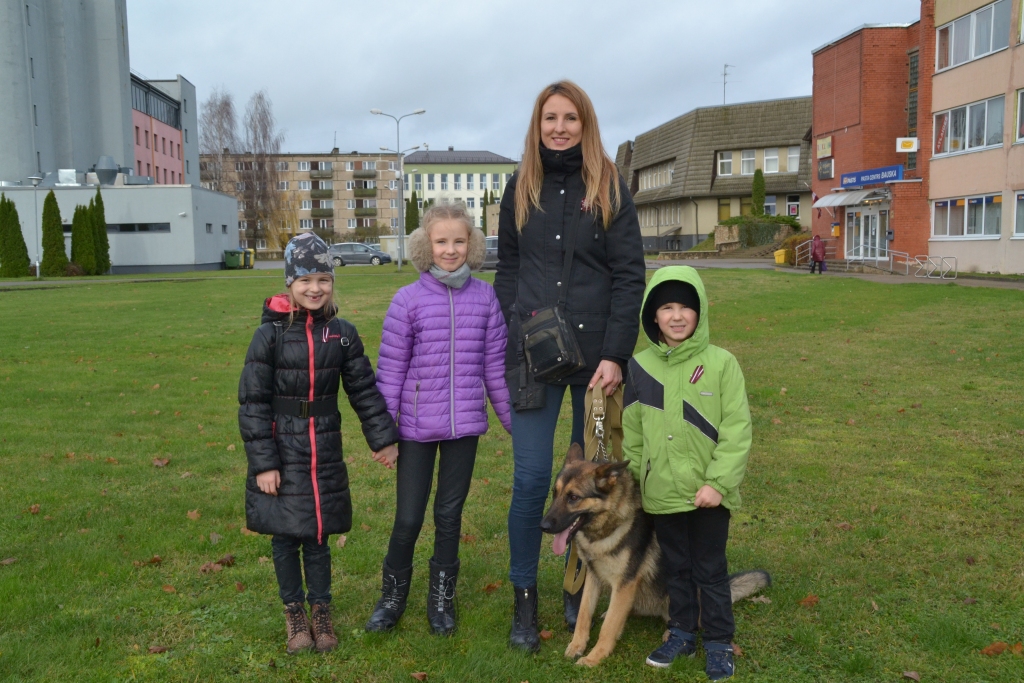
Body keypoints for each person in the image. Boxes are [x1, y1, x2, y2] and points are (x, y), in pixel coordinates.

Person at [494, 80, 646, 652]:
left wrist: (615, 355)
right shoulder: (521, 185)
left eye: (570, 119)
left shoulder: (609, 184)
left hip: (596, 367)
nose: (559, 127)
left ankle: (576, 583)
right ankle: (523, 599)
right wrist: (516, 320)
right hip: (533, 360)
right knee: (533, 481)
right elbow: (507, 264)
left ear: (586, 124)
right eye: (549, 118)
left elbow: (630, 274)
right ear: (538, 125)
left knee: (593, 482)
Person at [238, 233, 399, 655]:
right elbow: (252, 403)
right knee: (285, 534)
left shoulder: (342, 335)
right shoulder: (268, 337)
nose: (315, 288)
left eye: (324, 279)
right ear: (290, 282)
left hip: (323, 448)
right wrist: (263, 464)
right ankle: (295, 614)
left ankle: (321, 611)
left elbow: (363, 390)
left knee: (319, 534)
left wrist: (383, 439)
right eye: (305, 279)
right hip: (282, 449)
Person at [367, 202, 512, 636]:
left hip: (463, 427)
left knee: (449, 515)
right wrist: (384, 435)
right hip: (414, 430)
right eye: (441, 241)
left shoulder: (486, 298)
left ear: (472, 245)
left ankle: (441, 601)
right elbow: (390, 373)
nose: (451, 250)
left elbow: (495, 371)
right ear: (426, 246)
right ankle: (391, 598)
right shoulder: (407, 300)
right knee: (409, 518)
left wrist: (514, 427)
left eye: (459, 241)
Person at [622, 266, 752, 681]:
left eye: (686, 308)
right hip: (662, 493)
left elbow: (737, 430)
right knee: (675, 568)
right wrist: (641, 486)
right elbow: (634, 434)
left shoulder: (721, 364)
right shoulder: (639, 368)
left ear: (700, 313)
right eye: (666, 308)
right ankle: (680, 630)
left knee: (709, 569)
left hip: (708, 494)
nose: (677, 316)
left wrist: (718, 483)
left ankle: (717, 639)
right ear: (653, 316)